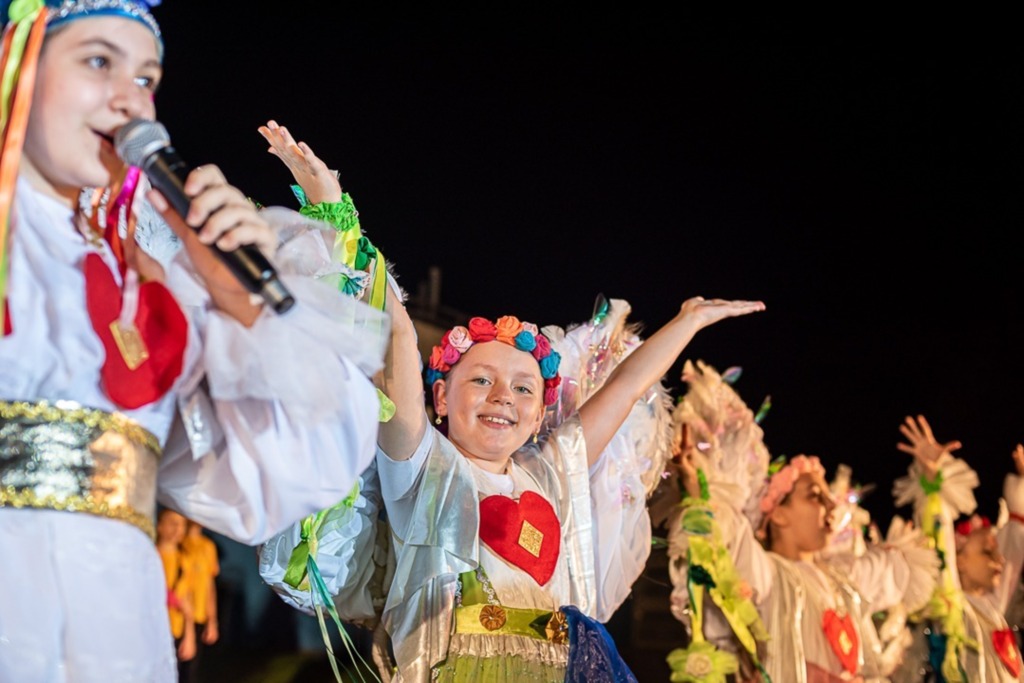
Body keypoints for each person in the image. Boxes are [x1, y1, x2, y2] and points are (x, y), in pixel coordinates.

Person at [0, 3, 388, 681]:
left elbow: (295, 474)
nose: (132, 102)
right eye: (98, 62)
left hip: (117, 642)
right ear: (19, 63)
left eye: (147, 78)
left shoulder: (146, 283)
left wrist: (240, 302)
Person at [673, 408, 939, 682]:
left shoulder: (845, 579)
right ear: (777, 513)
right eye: (814, 496)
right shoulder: (768, 575)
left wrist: (932, 487)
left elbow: (920, 559)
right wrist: (697, 484)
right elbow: (724, 537)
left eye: (828, 496)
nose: (829, 505)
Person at [891, 416, 1024, 681]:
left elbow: (1015, 547)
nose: (1000, 560)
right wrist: (932, 484)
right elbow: (938, 543)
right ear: (958, 560)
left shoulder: (993, 612)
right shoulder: (950, 606)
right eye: (987, 552)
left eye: (997, 553)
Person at [156, 508, 197, 680]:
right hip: (153, 628)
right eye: (172, 523)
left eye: (182, 525)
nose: (178, 529)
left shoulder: (185, 560)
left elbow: (187, 599)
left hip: (175, 629)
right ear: (160, 526)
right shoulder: (150, 555)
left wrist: (189, 636)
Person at [181, 518, 220, 680]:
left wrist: (212, 619)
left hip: (199, 615)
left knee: (191, 670)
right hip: (177, 615)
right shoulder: (180, 542)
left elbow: (209, 585)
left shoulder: (208, 546)